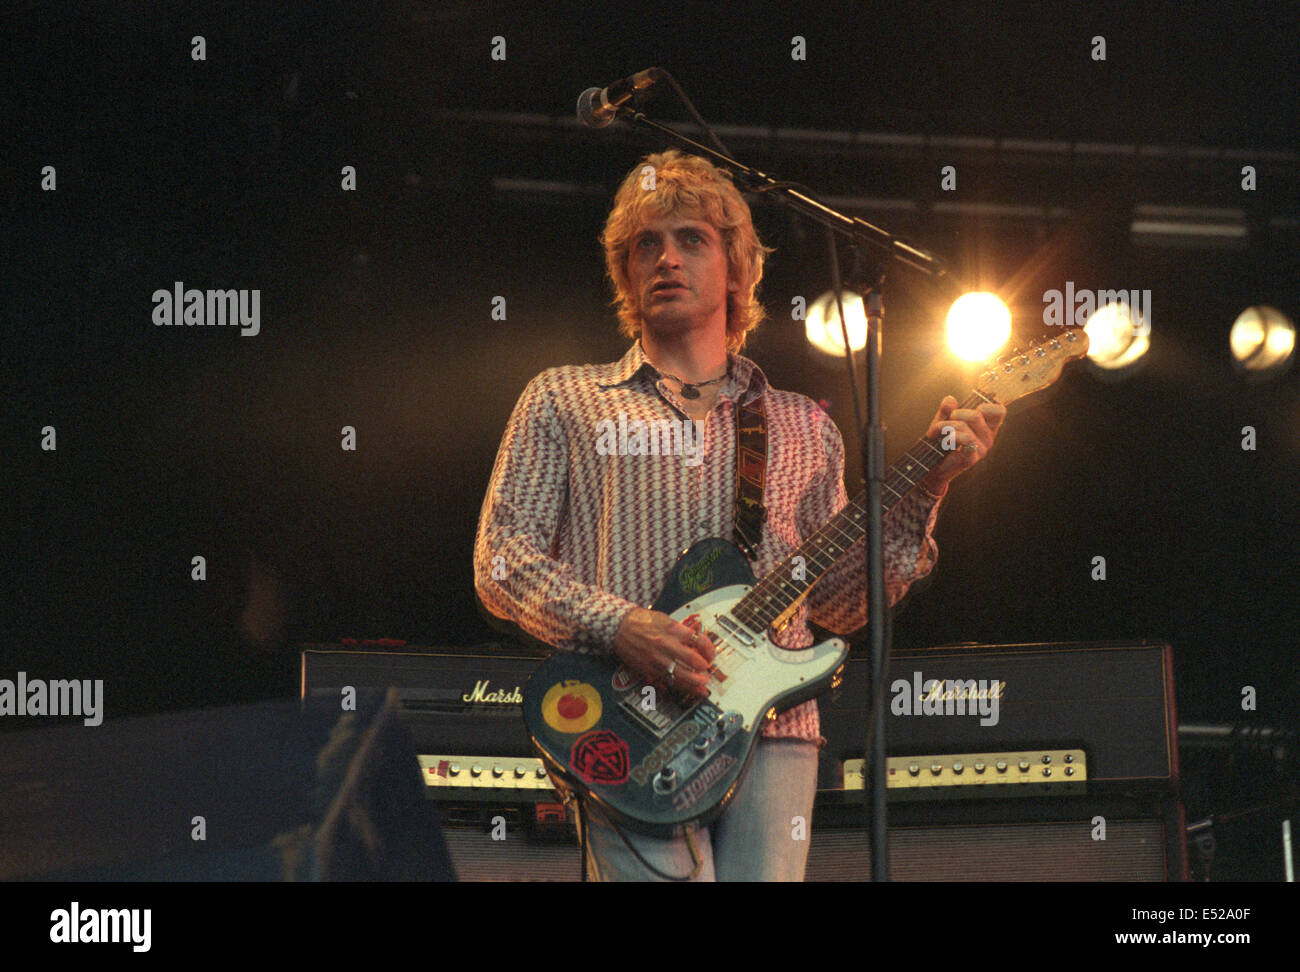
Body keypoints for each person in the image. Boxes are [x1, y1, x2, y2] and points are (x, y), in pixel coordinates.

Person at [473, 149, 1005, 881]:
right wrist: (621, 626)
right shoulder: (565, 399)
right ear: (624, 271)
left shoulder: (801, 425)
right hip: (632, 727)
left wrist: (927, 487)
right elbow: (503, 559)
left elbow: (847, 605)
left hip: (777, 733)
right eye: (645, 245)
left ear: (739, 268)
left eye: (692, 238)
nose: (666, 258)